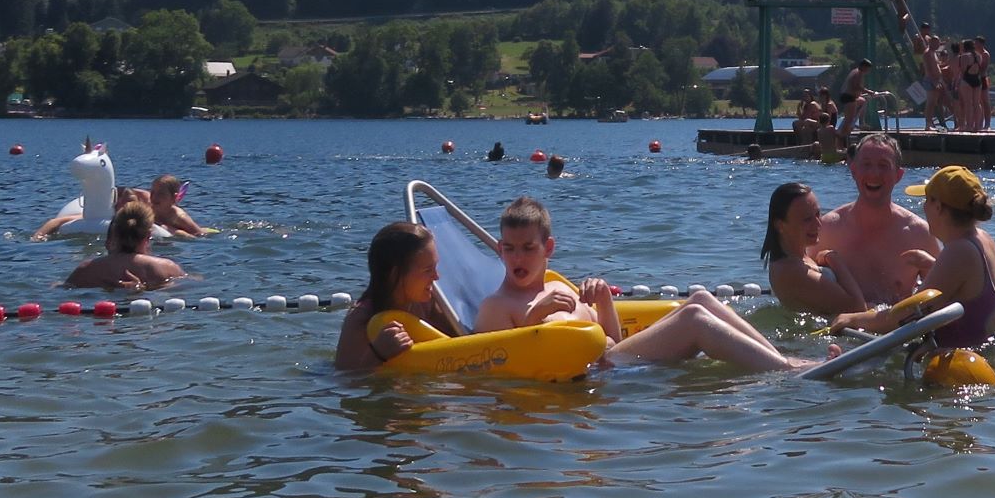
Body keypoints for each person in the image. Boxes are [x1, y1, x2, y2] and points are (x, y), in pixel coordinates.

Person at [473, 197, 823, 371]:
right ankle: (785, 371)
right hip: (601, 375)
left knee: (701, 298)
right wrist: (535, 318)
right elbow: (501, 364)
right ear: (499, 249)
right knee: (695, 321)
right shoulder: (497, 306)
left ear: (548, 248)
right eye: (509, 249)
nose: (517, 258)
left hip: (614, 362)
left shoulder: (557, 287)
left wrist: (604, 305)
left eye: (527, 249)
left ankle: (779, 359)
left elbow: (611, 338)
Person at [828, 166, 995, 350]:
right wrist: (934, 264)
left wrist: (852, 318)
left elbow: (904, 317)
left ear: (938, 207)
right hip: (984, 353)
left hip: (956, 367)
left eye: (927, 200)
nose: (923, 207)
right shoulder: (984, 239)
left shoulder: (959, 251)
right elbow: (971, 287)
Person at [816, 134, 939, 303]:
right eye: (866, 165)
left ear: (898, 175)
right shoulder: (827, 230)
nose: (874, 173)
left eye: (883, 166)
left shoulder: (920, 233)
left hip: (900, 328)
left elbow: (941, 295)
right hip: (838, 326)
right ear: (853, 170)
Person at [334, 221, 462, 370]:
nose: (437, 277)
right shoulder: (360, 319)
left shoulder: (428, 301)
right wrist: (378, 354)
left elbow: (459, 342)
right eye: (428, 270)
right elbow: (343, 381)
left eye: (435, 267)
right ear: (395, 274)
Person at [760, 182, 867, 316]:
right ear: (780, 225)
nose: (818, 223)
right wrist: (834, 259)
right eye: (807, 219)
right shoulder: (792, 272)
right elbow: (857, 308)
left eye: (817, 214)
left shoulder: (798, 257)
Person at [63, 203, 188, 291]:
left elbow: (61, 290)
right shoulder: (167, 268)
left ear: (113, 236)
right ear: (148, 236)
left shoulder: (87, 270)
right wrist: (144, 289)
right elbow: (193, 284)